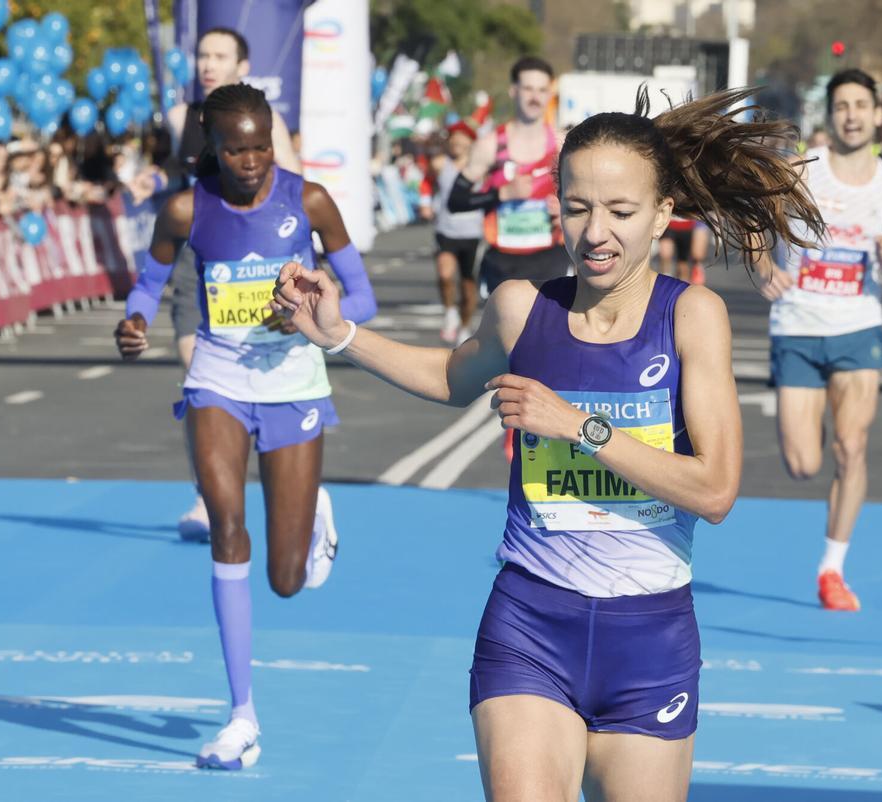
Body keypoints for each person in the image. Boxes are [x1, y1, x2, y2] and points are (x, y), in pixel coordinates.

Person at [272, 86, 821, 801]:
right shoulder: (521, 308)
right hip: (530, 626)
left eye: (621, 212)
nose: (596, 232)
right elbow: (449, 375)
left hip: (649, 640)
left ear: (661, 215)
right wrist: (338, 334)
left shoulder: (692, 317)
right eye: (578, 207)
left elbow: (714, 490)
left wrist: (581, 428)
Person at [113, 84, 376, 770]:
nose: (253, 159)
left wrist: (314, 303)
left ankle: (314, 508)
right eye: (237, 149)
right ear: (212, 148)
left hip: (292, 387)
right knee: (227, 525)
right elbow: (148, 282)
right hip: (219, 382)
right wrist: (136, 320)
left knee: (287, 579)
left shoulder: (309, 201)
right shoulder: (185, 209)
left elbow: (364, 297)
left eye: (262, 145)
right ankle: (241, 716)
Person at [130, 26, 303, 542]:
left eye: (219, 55)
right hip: (196, 258)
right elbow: (174, 171)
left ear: (241, 65)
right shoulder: (185, 117)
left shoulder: (266, 124)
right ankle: (210, 496)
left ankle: (295, 482)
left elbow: (291, 185)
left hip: (256, 261)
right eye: (202, 54)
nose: (207, 63)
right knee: (199, 379)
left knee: (267, 378)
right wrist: (151, 180)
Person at [756, 68, 882, 612]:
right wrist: (762, 269)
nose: (851, 114)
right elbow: (756, 222)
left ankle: (832, 569)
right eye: (842, 105)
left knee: (851, 448)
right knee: (803, 462)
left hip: (858, 327)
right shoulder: (800, 173)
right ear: (831, 115)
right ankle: (815, 420)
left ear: (877, 115)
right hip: (799, 326)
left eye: (860, 105)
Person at [447, 56, 569, 295]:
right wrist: (501, 193)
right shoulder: (491, 145)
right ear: (514, 91)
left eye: (542, 90)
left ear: (549, 94)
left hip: (550, 256)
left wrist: (567, 207)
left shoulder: (561, 145)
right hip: (503, 260)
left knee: (547, 331)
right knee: (506, 331)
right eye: (528, 89)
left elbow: (592, 197)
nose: (535, 97)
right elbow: (455, 201)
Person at [419, 120, 484, 343]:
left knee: (468, 286)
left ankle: (465, 326)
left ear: (470, 142)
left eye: (461, 138)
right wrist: (425, 202)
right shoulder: (440, 163)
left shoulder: (480, 167)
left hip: (474, 233)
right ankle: (450, 313)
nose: (456, 142)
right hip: (446, 230)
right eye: (453, 138)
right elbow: (426, 182)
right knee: (445, 274)